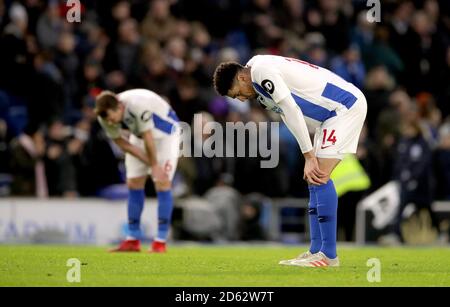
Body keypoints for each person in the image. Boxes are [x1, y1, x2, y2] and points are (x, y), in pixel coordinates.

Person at [213, 55, 367, 267]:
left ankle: (329, 256)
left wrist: (309, 155)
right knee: (314, 179)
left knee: (320, 176)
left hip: (344, 106)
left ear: (241, 77)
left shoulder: (261, 71)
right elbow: (287, 114)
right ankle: (316, 251)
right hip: (329, 116)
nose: (240, 99)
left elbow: (292, 109)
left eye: (237, 93)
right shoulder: (258, 85)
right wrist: (309, 152)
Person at [95, 89, 180, 253]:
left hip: (165, 136)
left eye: (112, 118)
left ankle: (160, 242)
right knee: (133, 182)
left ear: (119, 108)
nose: (111, 123)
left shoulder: (137, 105)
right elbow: (122, 143)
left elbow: (149, 137)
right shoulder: (103, 115)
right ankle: (132, 240)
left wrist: (154, 165)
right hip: (140, 135)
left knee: (162, 182)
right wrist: (148, 161)